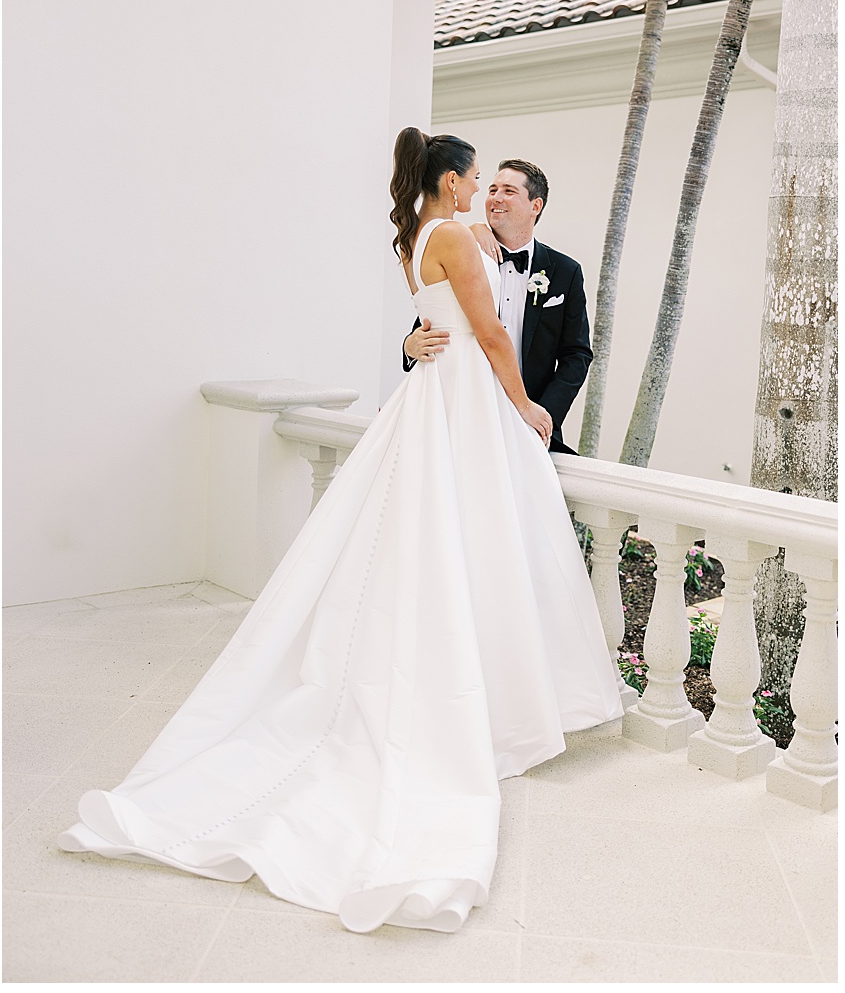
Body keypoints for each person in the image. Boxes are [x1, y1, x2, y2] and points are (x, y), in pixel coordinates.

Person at [59, 128, 625, 932]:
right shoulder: (459, 237)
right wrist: (526, 405)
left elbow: (441, 325)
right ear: (456, 182)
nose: (481, 192)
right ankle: (483, 702)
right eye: (475, 180)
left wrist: (423, 345)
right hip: (470, 399)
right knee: (477, 544)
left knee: (449, 545)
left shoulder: (414, 237)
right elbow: (491, 336)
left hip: (443, 395)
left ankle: (492, 690)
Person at [403, 158, 591, 455]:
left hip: (531, 420)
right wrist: (409, 345)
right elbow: (436, 319)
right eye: (491, 189)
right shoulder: (462, 249)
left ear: (535, 206)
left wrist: (540, 414)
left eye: (508, 191)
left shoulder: (566, 272)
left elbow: (576, 354)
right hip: (467, 413)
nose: (495, 198)